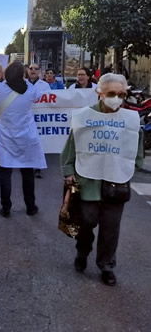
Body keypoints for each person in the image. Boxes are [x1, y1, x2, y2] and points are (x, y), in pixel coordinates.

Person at [61, 73, 143, 286]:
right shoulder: (84, 117)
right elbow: (71, 147)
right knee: (86, 222)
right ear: (100, 93)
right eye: (112, 94)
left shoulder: (129, 120)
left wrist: (133, 164)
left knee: (111, 228)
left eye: (121, 94)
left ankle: (106, 265)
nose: (117, 98)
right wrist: (68, 171)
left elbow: (136, 146)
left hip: (116, 183)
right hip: (88, 182)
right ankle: (82, 251)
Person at [0, 61, 46, 218]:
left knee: (5, 171)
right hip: (26, 136)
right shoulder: (31, 90)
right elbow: (35, 95)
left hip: (5, 136)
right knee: (27, 172)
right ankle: (30, 206)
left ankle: (6, 207)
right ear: (23, 74)